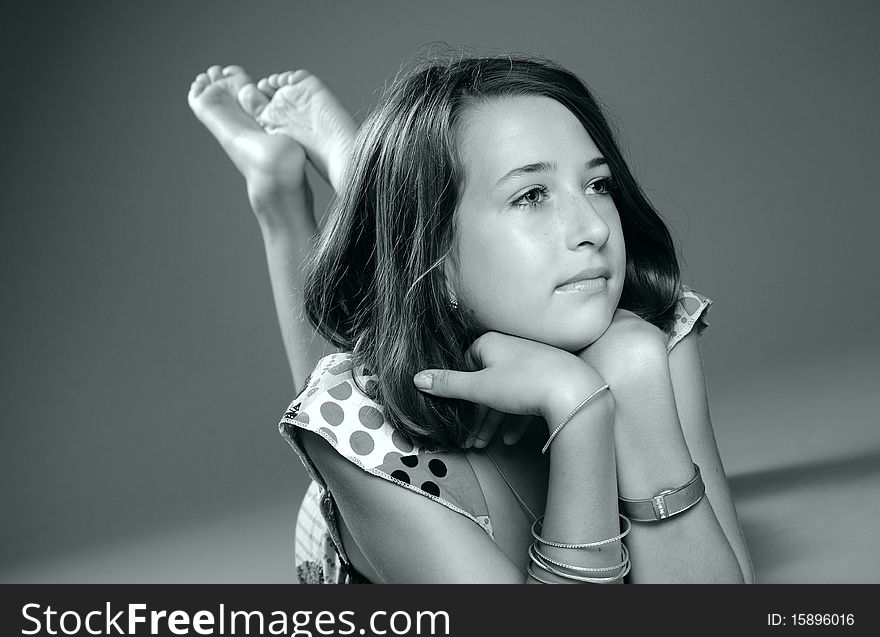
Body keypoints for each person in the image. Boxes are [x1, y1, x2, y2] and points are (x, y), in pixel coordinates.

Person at [188, 54, 754, 584]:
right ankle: (278, 194)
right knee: (362, 343)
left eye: (597, 185)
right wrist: (579, 414)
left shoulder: (648, 336)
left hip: (436, 264)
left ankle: (361, 167)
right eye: (532, 195)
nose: (596, 228)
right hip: (368, 523)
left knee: (413, 234)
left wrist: (632, 369)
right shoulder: (356, 429)